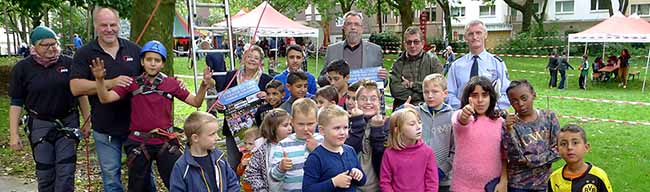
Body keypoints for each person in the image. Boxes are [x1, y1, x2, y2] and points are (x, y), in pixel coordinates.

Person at [92, 40, 213, 191]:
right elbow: (105, 98)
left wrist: (203, 86)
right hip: (139, 142)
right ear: (142, 61)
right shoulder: (132, 83)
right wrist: (99, 79)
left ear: (162, 64)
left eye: (157, 60)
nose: (153, 64)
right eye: (149, 59)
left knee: (178, 183)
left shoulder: (171, 84)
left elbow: (196, 101)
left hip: (165, 142)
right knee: (138, 187)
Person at [9, 26, 91, 192]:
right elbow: (16, 102)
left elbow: (82, 94)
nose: (51, 48)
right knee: (45, 173)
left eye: (54, 43)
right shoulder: (23, 69)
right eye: (45, 44)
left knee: (66, 171)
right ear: (34, 47)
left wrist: (87, 121)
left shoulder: (69, 63)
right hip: (40, 123)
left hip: (67, 121)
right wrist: (13, 134)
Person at [69, 7, 143, 191]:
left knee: (143, 174)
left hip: (137, 127)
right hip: (105, 127)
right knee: (111, 177)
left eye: (113, 24)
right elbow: (75, 87)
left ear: (119, 25)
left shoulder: (134, 49)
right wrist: (109, 82)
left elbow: (151, 76)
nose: (109, 29)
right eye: (104, 25)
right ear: (96, 26)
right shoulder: (85, 53)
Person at [214, 45, 273, 171]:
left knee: (258, 165)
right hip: (233, 129)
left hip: (258, 130)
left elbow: (274, 102)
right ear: (243, 58)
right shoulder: (231, 76)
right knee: (233, 164)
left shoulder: (267, 80)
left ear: (261, 62)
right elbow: (222, 100)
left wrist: (267, 97)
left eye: (256, 58)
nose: (252, 60)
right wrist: (219, 105)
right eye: (249, 56)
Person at [399, 73, 454, 192]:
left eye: (435, 92)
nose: (430, 96)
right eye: (426, 92)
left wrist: (442, 170)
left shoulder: (453, 117)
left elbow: (455, 149)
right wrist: (402, 109)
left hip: (443, 179)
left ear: (445, 93)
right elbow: (395, 124)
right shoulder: (415, 113)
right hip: (416, 176)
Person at [451, 76, 507, 192]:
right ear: (467, 98)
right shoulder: (460, 116)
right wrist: (465, 113)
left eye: (484, 95)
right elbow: (460, 120)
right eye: (475, 95)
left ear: (491, 97)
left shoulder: (500, 122)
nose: (480, 100)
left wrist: (504, 180)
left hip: (492, 186)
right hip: (462, 186)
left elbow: (504, 155)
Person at [503, 80, 560, 192]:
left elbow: (558, 150)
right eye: (514, 101)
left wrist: (530, 160)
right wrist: (508, 130)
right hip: (518, 185)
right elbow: (516, 157)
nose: (520, 104)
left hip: (543, 183)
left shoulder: (549, 117)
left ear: (533, 95)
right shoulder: (511, 124)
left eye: (524, 98)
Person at [447, 20, 511, 110]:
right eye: (470, 34)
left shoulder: (497, 64)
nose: (475, 37)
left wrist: (491, 110)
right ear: (465, 37)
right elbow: (449, 94)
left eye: (478, 33)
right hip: (463, 116)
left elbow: (507, 92)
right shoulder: (456, 66)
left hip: (490, 116)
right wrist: (463, 109)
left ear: (485, 35)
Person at [169, 111, 240, 192]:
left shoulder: (219, 158)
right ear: (195, 138)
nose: (218, 137)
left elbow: (232, 183)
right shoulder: (182, 167)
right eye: (212, 134)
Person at [302, 106, 367, 191]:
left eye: (345, 127)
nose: (342, 132)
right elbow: (307, 189)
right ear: (322, 130)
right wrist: (333, 182)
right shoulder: (316, 158)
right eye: (337, 128)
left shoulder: (350, 150)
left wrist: (359, 175)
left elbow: (363, 181)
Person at [318, 10, 386, 87]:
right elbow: (321, 79)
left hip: (363, 97)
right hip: (339, 96)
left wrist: (383, 77)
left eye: (356, 24)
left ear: (362, 28)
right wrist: (328, 78)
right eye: (349, 24)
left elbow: (383, 82)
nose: (353, 27)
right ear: (344, 27)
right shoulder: (332, 50)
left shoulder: (375, 50)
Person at [270, 98, 324, 191]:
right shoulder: (283, 145)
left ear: (317, 121)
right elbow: (274, 177)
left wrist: (316, 151)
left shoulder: (322, 140)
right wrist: (281, 168)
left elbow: (331, 167)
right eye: (301, 124)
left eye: (310, 124)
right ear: (292, 121)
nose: (306, 128)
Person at [380, 108, 439, 192]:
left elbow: (432, 182)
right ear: (397, 129)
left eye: (419, 122)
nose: (419, 127)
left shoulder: (427, 152)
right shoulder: (389, 153)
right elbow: (385, 182)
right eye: (412, 124)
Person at [345, 80, 389, 191]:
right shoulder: (346, 122)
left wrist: (377, 130)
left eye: (373, 99)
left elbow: (383, 157)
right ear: (356, 102)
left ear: (379, 102)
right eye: (363, 99)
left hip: (377, 185)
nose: (368, 102)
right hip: (351, 185)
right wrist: (357, 124)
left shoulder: (388, 124)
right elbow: (349, 151)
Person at [390, 26, 443, 110]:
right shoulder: (398, 64)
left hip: (429, 110)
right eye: (409, 42)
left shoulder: (433, 61)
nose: (412, 45)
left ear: (422, 43)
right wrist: (423, 95)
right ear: (404, 44)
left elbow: (438, 88)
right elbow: (395, 90)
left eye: (416, 42)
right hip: (403, 110)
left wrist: (412, 85)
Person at [547, 124, 613, 192]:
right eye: (564, 144)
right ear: (557, 150)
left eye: (575, 143)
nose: (569, 147)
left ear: (586, 147)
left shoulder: (598, 176)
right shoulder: (554, 178)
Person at [244, 109, 293, 191]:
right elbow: (252, 173)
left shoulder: (295, 143)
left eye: (290, 124)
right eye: (285, 125)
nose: (290, 128)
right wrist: (261, 189)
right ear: (273, 128)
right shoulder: (262, 150)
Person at [237, 128, 261, 192]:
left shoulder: (261, 156)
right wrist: (242, 165)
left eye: (250, 144)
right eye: (245, 143)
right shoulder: (246, 155)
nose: (247, 146)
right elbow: (239, 172)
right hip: (248, 188)